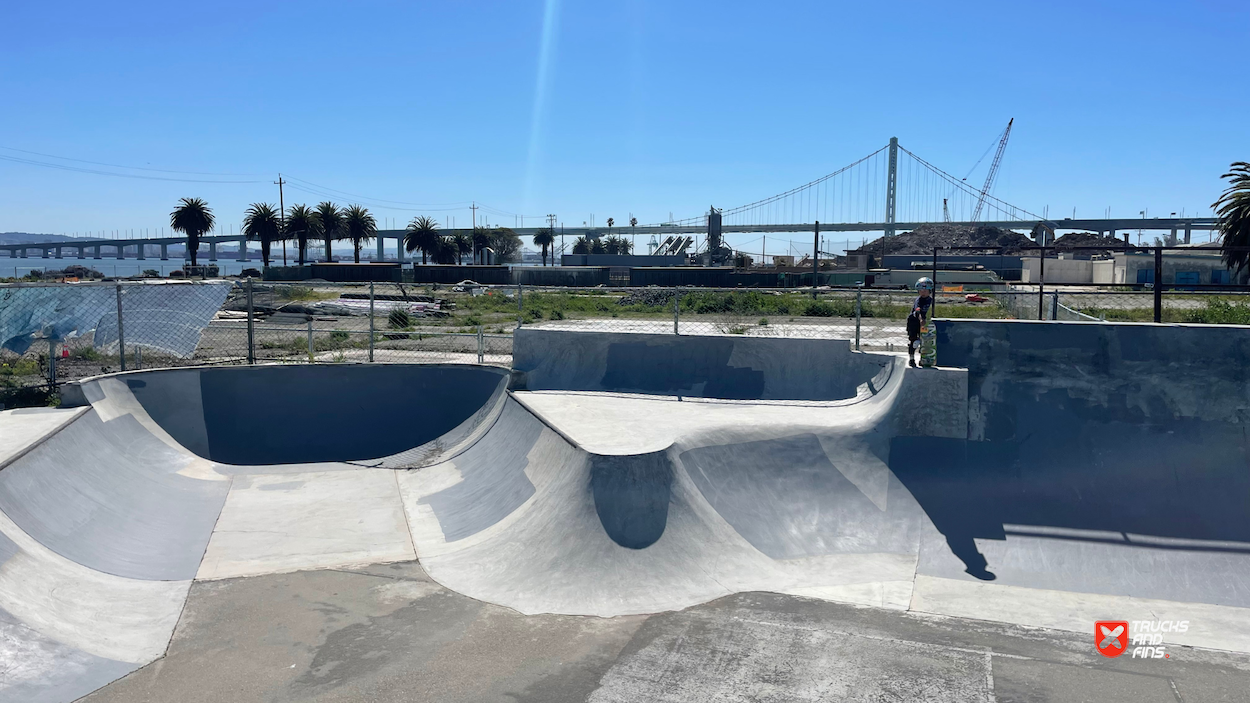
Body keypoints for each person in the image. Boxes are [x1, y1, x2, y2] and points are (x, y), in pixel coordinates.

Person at [906, 277, 934, 368]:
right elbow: (918, 310)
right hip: (913, 322)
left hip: (924, 323)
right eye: (921, 290)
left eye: (925, 290)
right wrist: (921, 318)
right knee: (914, 341)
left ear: (930, 290)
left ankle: (923, 359)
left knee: (924, 342)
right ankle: (911, 359)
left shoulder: (930, 300)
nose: (923, 292)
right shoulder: (918, 300)